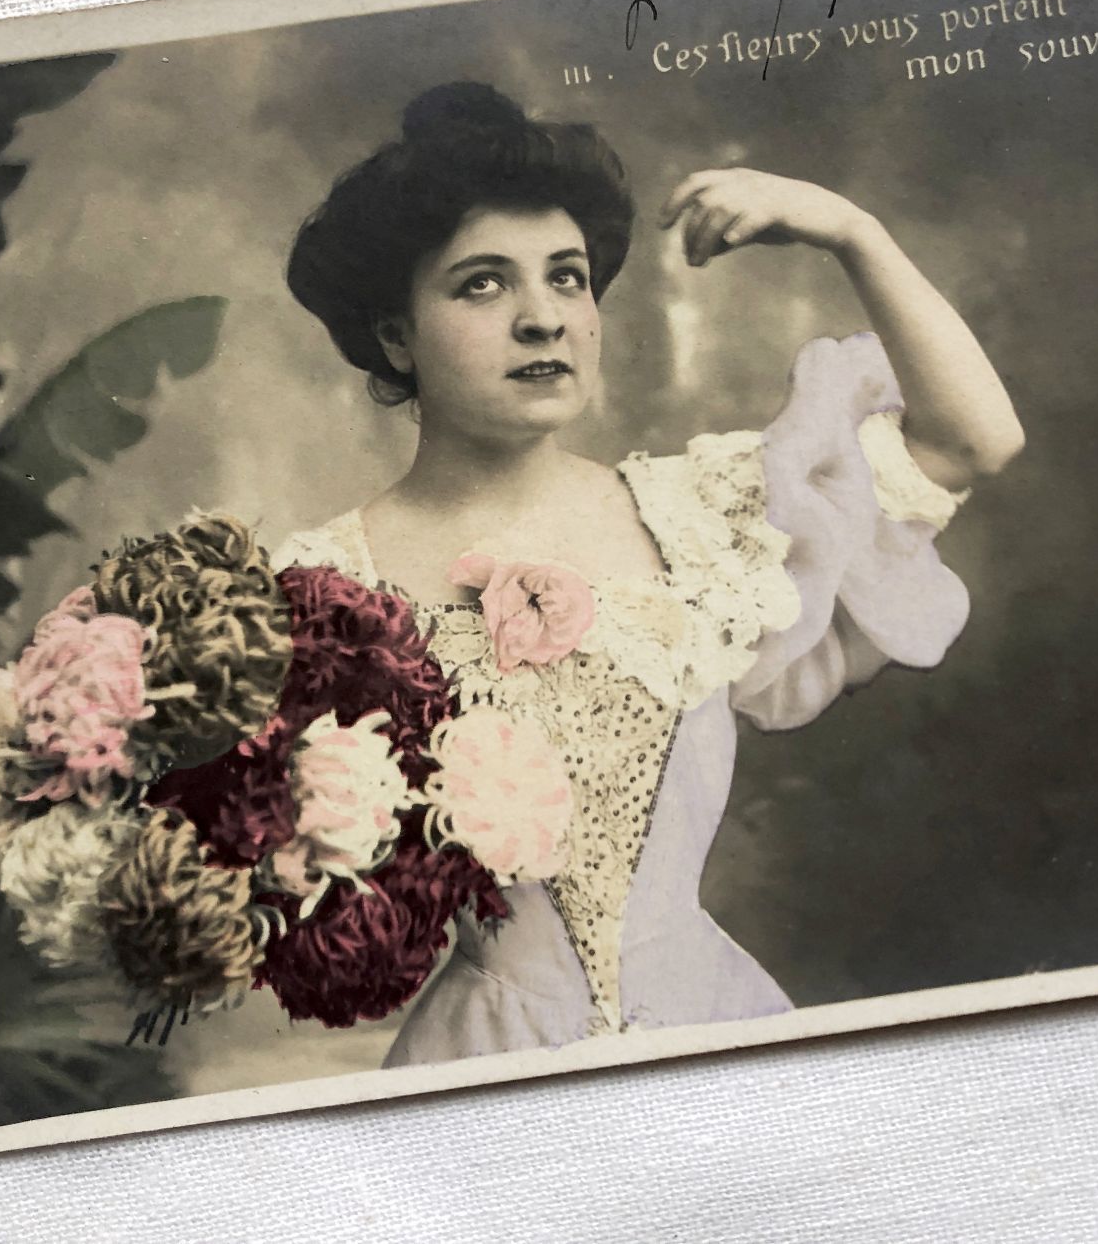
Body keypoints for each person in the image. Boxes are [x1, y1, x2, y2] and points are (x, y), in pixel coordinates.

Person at [280, 81, 1024, 1066]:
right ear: (393, 335)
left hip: (718, 1029)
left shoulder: (700, 518)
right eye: (482, 284)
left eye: (567, 277)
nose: (544, 319)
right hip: (485, 1055)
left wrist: (851, 231)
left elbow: (976, 440)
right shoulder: (321, 585)